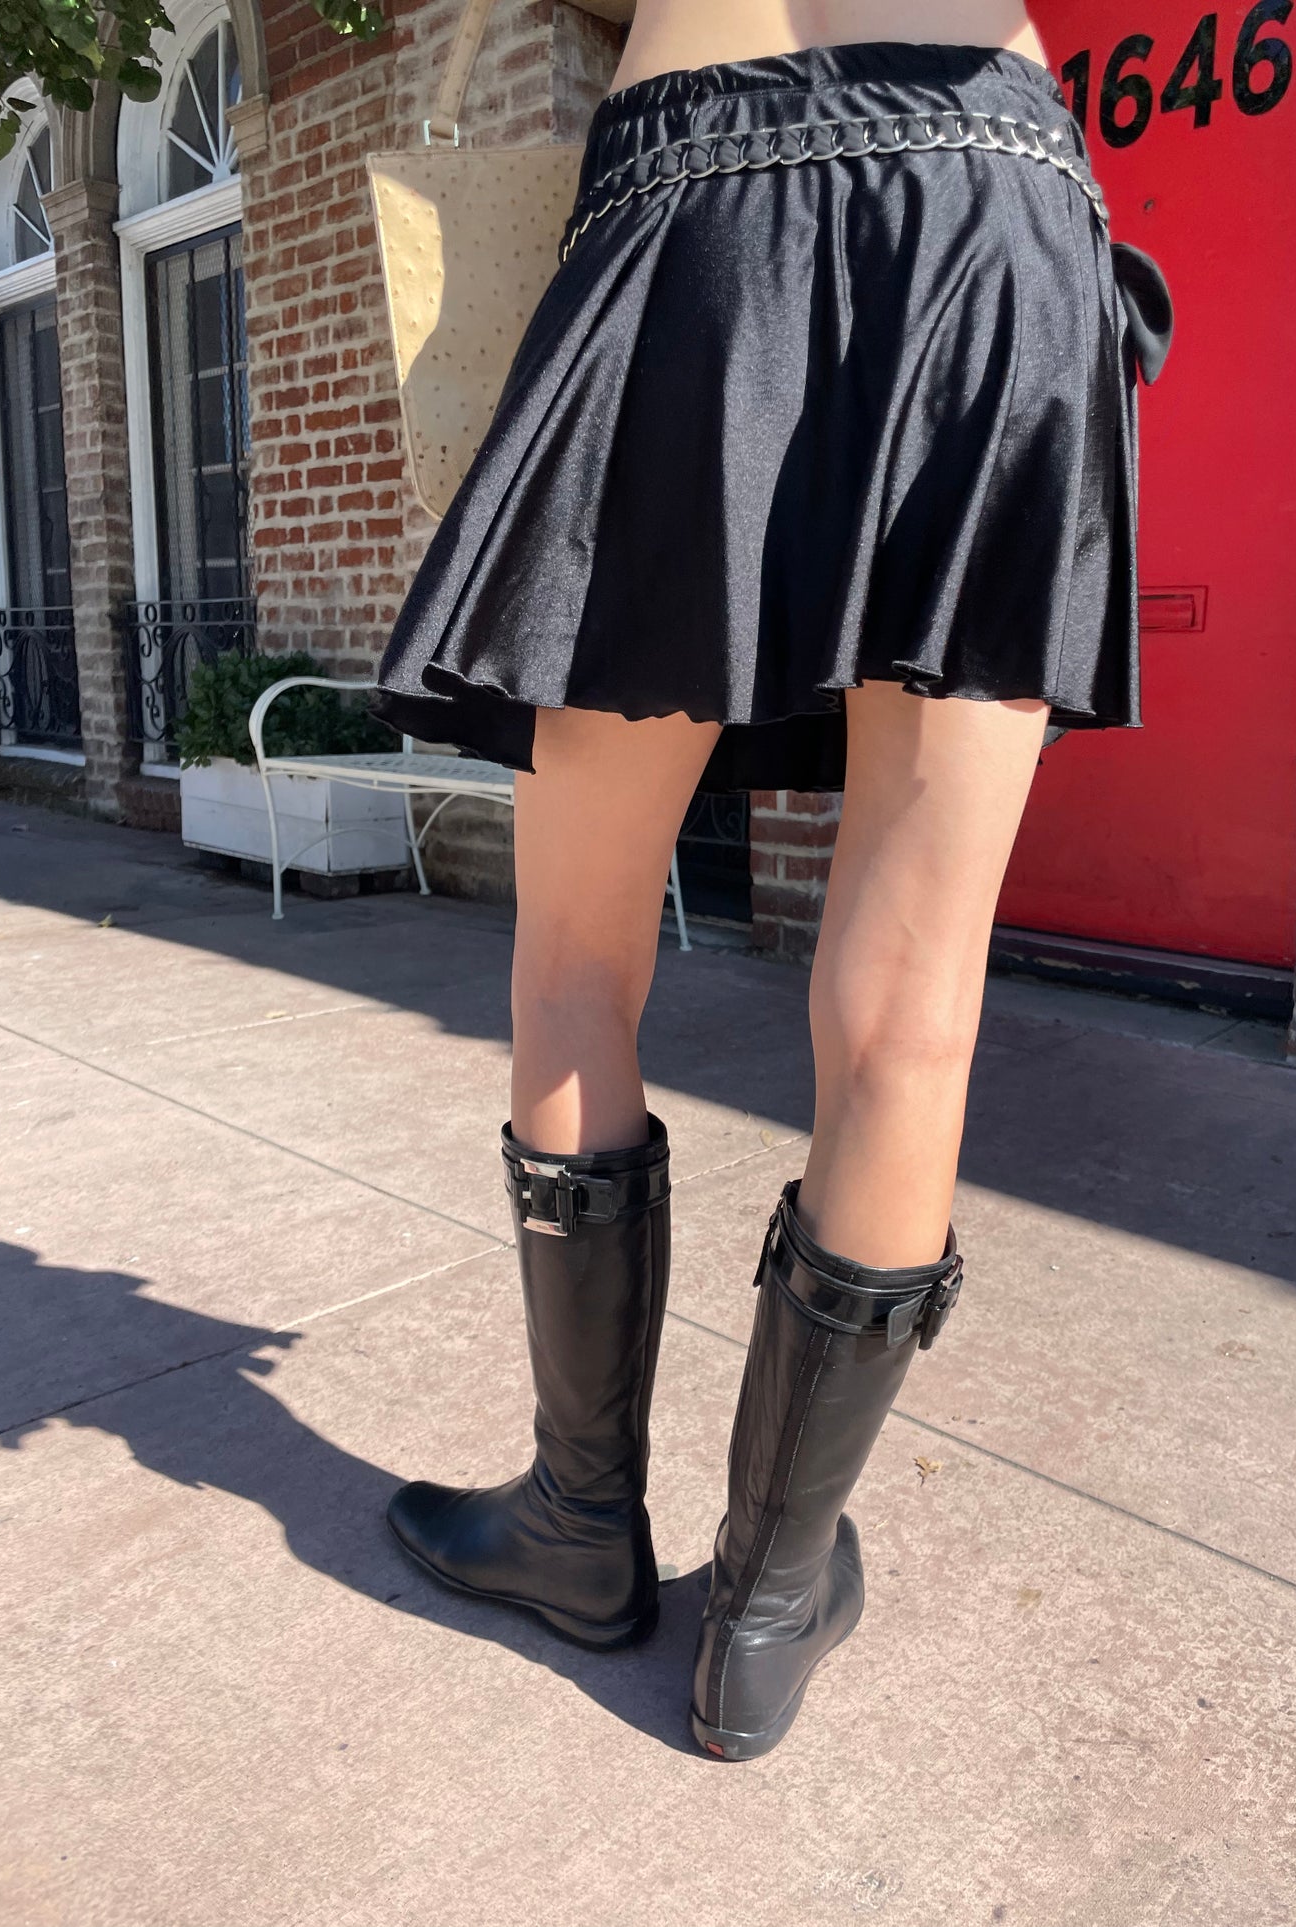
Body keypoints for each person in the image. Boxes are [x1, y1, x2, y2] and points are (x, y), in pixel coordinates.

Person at [372, 0, 1173, 1761]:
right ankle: (768, 1604)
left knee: (575, 955)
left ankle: (585, 1533)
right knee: (912, 1014)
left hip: (698, 204)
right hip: (996, 213)